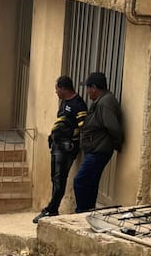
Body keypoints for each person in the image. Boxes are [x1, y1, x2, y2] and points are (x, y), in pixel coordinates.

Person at [34, 75, 88, 223]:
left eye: (57, 89)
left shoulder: (78, 104)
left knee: (60, 178)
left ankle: (51, 209)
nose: (56, 92)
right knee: (55, 178)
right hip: (57, 145)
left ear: (64, 88)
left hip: (66, 148)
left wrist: (74, 142)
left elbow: (83, 127)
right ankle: (53, 209)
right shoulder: (64, 102)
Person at [73, 71, 124, 213]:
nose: (87, 92)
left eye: (88, 88)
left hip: (99, 151)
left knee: (80, 181)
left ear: (94, 87)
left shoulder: (105, 102)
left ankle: (82, 211)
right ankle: (88, 211)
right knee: (90, 182)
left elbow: (113, 127)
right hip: (95, 149)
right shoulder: (101, 101)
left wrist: (117, 143)